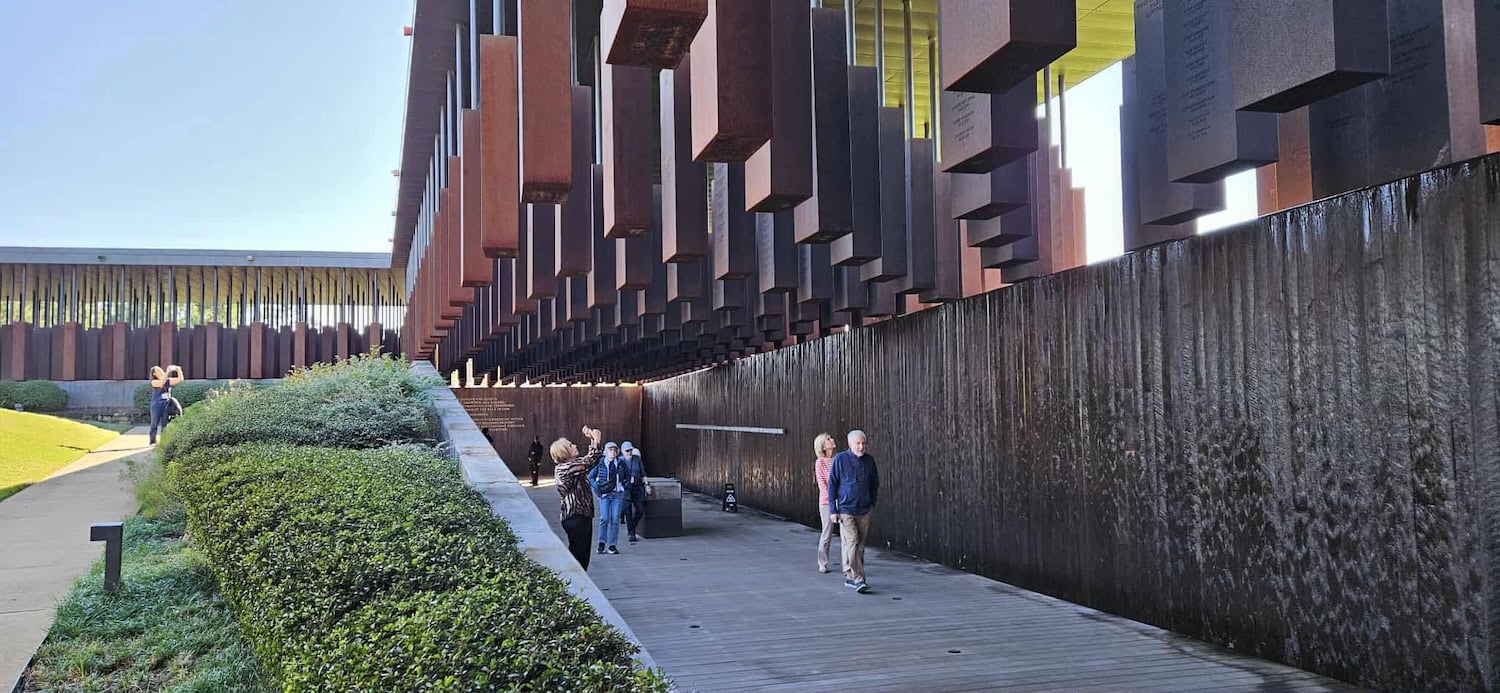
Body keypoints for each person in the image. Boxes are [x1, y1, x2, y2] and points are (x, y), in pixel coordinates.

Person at [827, 429, 878, 593]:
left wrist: (872, 502)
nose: (861, 446)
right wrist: (833, 510)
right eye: (858, 443)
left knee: (860, 545)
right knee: (853, 541)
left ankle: (850, 575)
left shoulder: (869, 461)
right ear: (850, 444)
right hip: (846, 508)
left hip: (864, 508)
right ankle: (859, 579)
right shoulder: (840, 459)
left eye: (863, 443)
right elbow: (832, 485)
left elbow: (874, 483)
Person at [551, 425, 606, 570]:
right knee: (579, 555)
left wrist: (592, 440)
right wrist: (596, 440)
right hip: (575, 516)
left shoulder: (570, 466)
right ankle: (574, 586)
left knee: (582, 554)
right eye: (570, 445)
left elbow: (589, 461)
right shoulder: (565, 468)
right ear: (564, 452)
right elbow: (588, 462)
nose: (574, 445)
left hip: (581, 516)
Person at [589, 441, 627, 555]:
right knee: (604, 518)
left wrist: (624, 486)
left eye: (615, 450)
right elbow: (591, 476)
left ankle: (612, 545)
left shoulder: (620, 463)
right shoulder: (600, 463)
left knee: (615, 519)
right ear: (606, 452)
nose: (613, 452)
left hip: (617, 494)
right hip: (605, 494)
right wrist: (597, 488)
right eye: (610, 450)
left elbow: (627, 476)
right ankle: (602, 542)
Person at [812, 432, 837, 573]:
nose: (831, 439)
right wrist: (832, 498)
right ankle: (822, 562)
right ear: (823, 445)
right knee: (827, 532)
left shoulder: (837, 459)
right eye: (828, 439)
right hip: (827, 502)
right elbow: (823, 484)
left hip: (841, 500)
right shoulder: (820, 462)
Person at [147, 364, 184, 445]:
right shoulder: (154, 382)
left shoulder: (167, 380)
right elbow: (161, 383)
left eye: (160, 369)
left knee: (165, 424)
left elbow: (180, 379)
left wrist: (178, 370)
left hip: (166, 404)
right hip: (156, 404)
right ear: (154, 374)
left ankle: (164, 441)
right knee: (154, 423)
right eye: (158, 370)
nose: (160, 370)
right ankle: (152, 441)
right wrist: (167, 372)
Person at [621, 441, 649, 543]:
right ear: (623, 452)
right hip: (626, 488)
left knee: (640, 509)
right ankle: (631, 533)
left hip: (637, 487)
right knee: (627, 511)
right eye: (627, 451)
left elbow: (643, 473)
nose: (629, 452)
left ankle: (632, 526)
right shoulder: (620, 461)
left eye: (631, 450)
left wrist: (647, 485)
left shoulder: (637, 459)